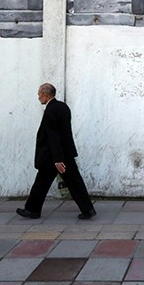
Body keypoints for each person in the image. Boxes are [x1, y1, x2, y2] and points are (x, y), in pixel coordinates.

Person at [16, 83, 96, 220]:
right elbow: (64, 133)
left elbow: (53, 136)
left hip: (53, 156)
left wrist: (58, 159)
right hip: (66, 152)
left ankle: (32, 210)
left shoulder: (50, 110)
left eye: (39, 95)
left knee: (41, 183)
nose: (38, 97)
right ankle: (88, 209)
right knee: (74, 182)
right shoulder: (63, 107)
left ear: (46, 95)